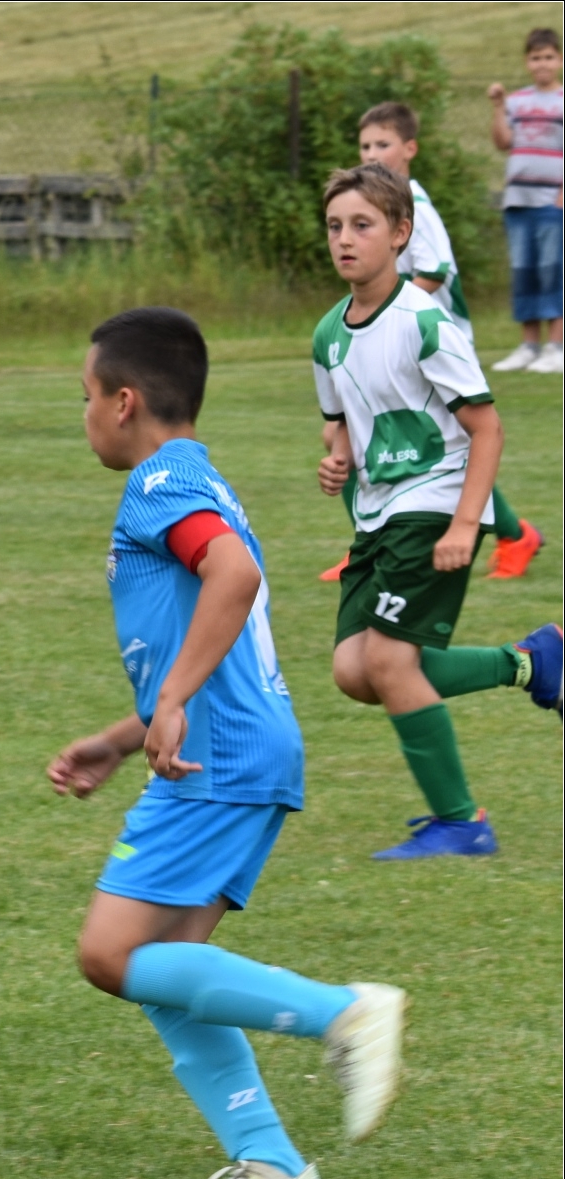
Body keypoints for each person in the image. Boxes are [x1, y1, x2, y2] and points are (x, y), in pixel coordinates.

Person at [48, 305, 406, 1179]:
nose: (83, 414)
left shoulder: (161, 483)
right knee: (169, 969)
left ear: (124, 402)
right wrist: (125, 734)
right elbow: (214, 630)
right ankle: (273, 1166)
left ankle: (343, 1012)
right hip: (235, 750)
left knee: (110, 955)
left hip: (221, 759)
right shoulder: (196, 477)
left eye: (85, 396)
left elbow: (233, 576)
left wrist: (169, 702)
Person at [311, 166, 561, 861]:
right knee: (355, 671)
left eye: (362, 225)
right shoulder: (328, 333)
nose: (345, 239)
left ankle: (462, 823)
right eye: (335, 226)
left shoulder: (425, 322)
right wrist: (337, 459)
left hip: (434, 504)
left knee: (389, 660)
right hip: (377, 518)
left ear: (401, 234)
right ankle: (532, 663)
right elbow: (341, 424)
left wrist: (465, 524)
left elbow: (487, 429)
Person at [316, 102, 544, 581]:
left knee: (441, 449)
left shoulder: (415, 205)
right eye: (365, 145)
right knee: (349, 435)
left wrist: (385, 314)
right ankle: (370, 538)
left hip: (433, 343)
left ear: (409, 149)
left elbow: (435, 271)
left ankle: (509, 534)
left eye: (382, 144)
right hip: (395, 340)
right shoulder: (370, 205)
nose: (371, 153)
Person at [488, 28, 564, 374]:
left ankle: (556, 347)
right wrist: (498, 107)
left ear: (559, 60)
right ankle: (529, 346)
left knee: (553, 272)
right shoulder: (516, 101)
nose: (542, 63)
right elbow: (503, 142)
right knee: (525, 273)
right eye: (535, 58)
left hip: (552, 202)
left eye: (548, 57)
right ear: (527, 61)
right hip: (518, 201)